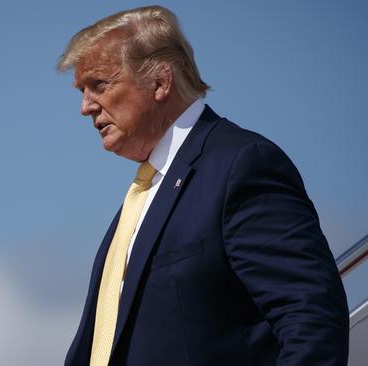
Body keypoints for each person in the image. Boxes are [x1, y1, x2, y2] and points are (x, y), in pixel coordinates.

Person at [57, 5, 349, 366]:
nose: (85, 107)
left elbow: (310, 318)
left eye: (99, 85)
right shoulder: (142, 198)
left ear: (160, 82)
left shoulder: (240, 165)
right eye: (82, 90)